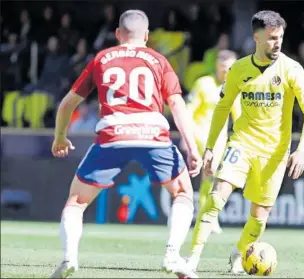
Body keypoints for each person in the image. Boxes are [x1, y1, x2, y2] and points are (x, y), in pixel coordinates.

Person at [50, 10, 201, 279]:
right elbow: (176, 104)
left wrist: (60, 137)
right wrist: (192, 146)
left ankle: (69, 258)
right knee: (182, 194)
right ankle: (172, 255)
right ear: (147, 36)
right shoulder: (158, 60)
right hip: (153, 135)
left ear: (118, 34)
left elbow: (67, 104)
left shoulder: (101, 59)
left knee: (75, 202)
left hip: (113, 135)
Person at [186, 10, 304, 274]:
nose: (277, 43)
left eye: (279, 37)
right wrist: (211, 147)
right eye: (271, 38)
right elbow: (222, 108)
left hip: (276, 153)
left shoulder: (292, 69)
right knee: (216, 197)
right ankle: (192, 260)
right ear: (256, 37)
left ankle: (240, 251)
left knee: (260, 217)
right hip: (242, 143)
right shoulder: (239, 69)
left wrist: (301, 151)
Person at [185, 49, 240, 234]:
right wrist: (188, 137)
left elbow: (238, 118)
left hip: (219, 140)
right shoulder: (203, 83)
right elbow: (188, 110)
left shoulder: (234, 88)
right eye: (223, 67)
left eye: (230, 68)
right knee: (211, 175)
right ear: (217, 66)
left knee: (211, 179)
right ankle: (206, 218)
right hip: (199, 136)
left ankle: (205, 217)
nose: (226, 71)